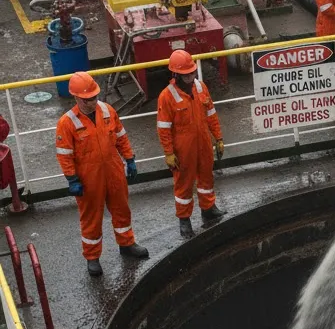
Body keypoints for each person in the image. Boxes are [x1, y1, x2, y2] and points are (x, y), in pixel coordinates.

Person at [55, 71, 148, 277]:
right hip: (88, 177)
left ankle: (127, 244)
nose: (91, 102)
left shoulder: (107, 111)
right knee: (91, 217)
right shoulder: (67, 122)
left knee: (122, 209)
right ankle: (92, 258)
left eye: (94, 98)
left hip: (113, 169)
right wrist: (72, 179)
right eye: (87, 99)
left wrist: (129, 159)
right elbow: (64, 154)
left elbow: (121, 136)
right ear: (76, 98)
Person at [157, 50, 225, 239]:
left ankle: (208, 208)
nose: (189, 77)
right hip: (182, 146)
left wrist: (218, 138)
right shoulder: (166, 96)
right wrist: (169, 153)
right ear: (175, 74)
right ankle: (185, 220)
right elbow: (163, 128)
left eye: (192, 73)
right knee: (183, 184)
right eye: (185, 74)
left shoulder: (201, 88)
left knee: (206, 176)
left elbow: (211, 114)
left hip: (203, 141)